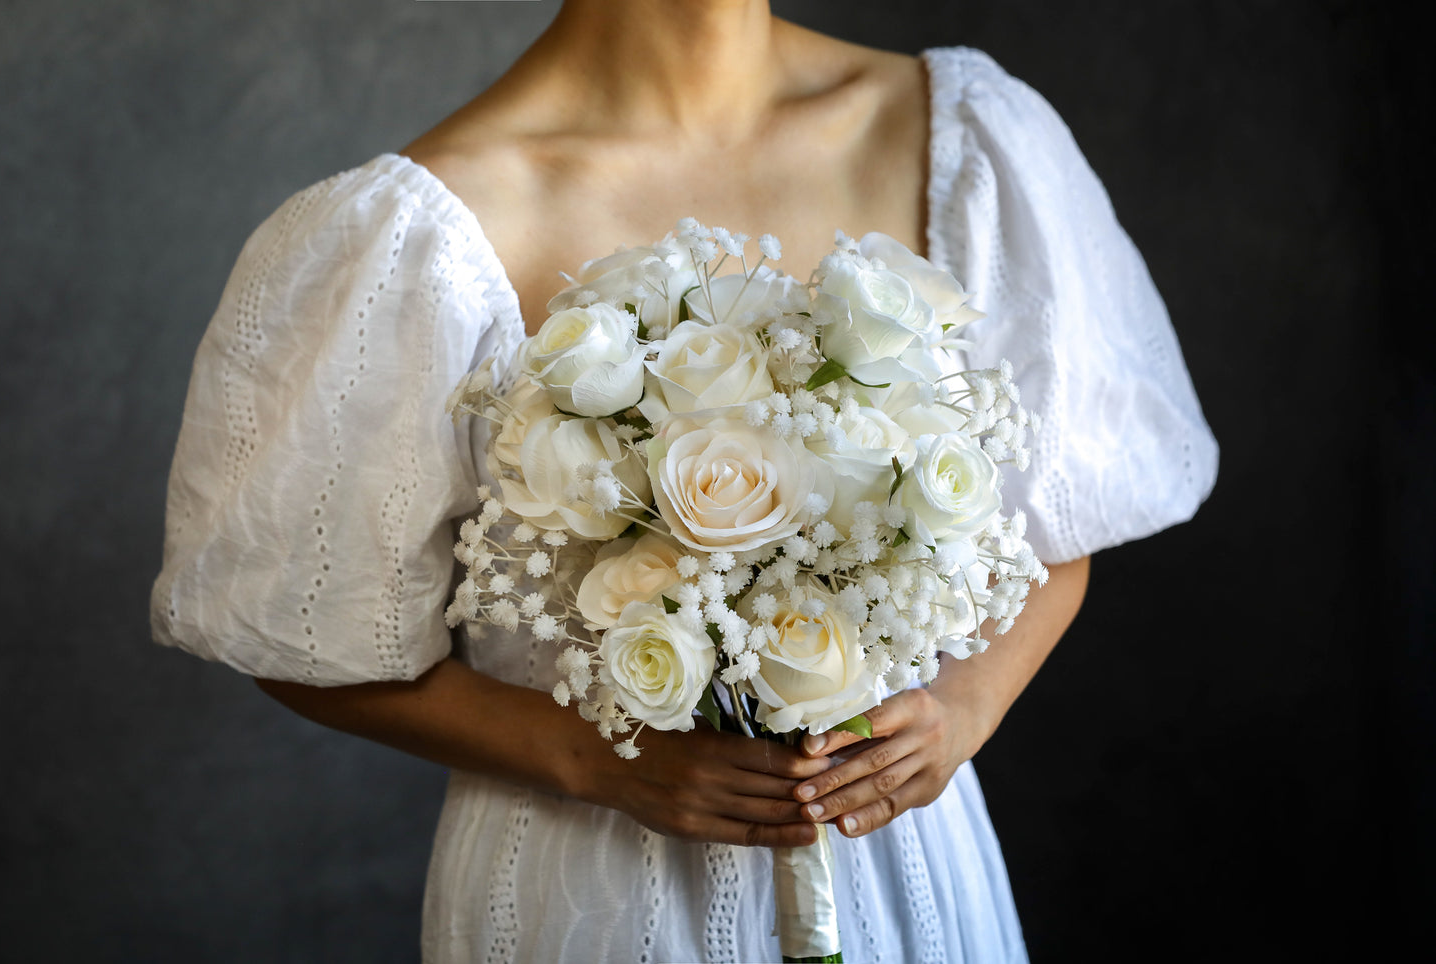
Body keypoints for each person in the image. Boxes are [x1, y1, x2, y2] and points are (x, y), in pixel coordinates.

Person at [150, 2, 1217, 961]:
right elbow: (298, 635)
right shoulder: (413, 232)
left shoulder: (964, 132)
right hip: (588, 891)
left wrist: (961, 708)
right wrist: (599, 762)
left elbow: (1063, 512)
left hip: (904, 868)